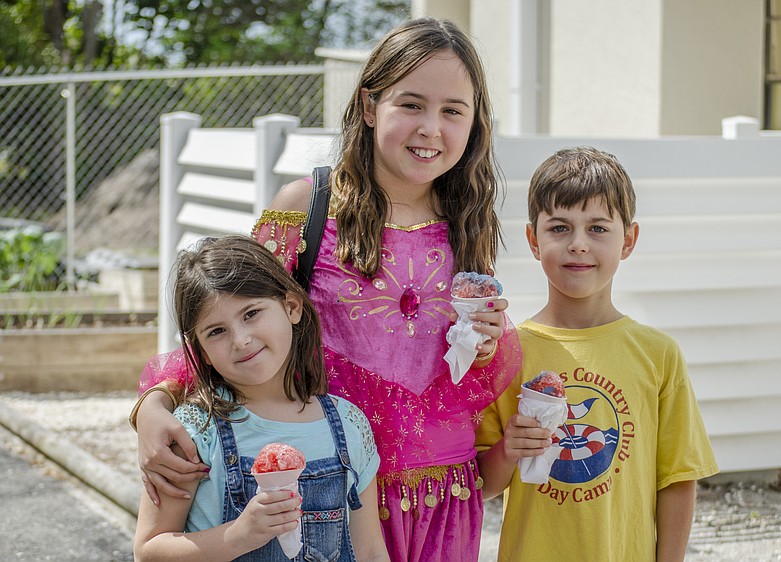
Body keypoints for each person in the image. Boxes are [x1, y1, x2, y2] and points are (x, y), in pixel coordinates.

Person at [131, 18, 522, 562]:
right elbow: (232, 309)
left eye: (453, 110)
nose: (431, 127)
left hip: (442, 498)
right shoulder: (302, 204)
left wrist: (481, 346)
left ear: (475, 122)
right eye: (411, 104)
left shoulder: (470, 223)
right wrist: (154, 404)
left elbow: (457, 369)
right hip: (328, 490)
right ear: (368, 106)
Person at [475, 147, 719, 562]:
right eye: (559, 228)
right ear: (534, 240)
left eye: (598, 229)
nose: (579, 245)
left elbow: (677, 479)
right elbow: (482, 485)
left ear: (629, 240)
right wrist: (509, 449)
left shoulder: (658, 355)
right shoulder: (506, 352)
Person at [132, 236, 388, 562]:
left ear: (291, 307)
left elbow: (369, 551)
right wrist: (238, 537)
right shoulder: (195, 430)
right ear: (202, 353)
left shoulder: (349, 424)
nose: (241, 340)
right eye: (216, 331)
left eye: (251, 313)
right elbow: (148, 550)